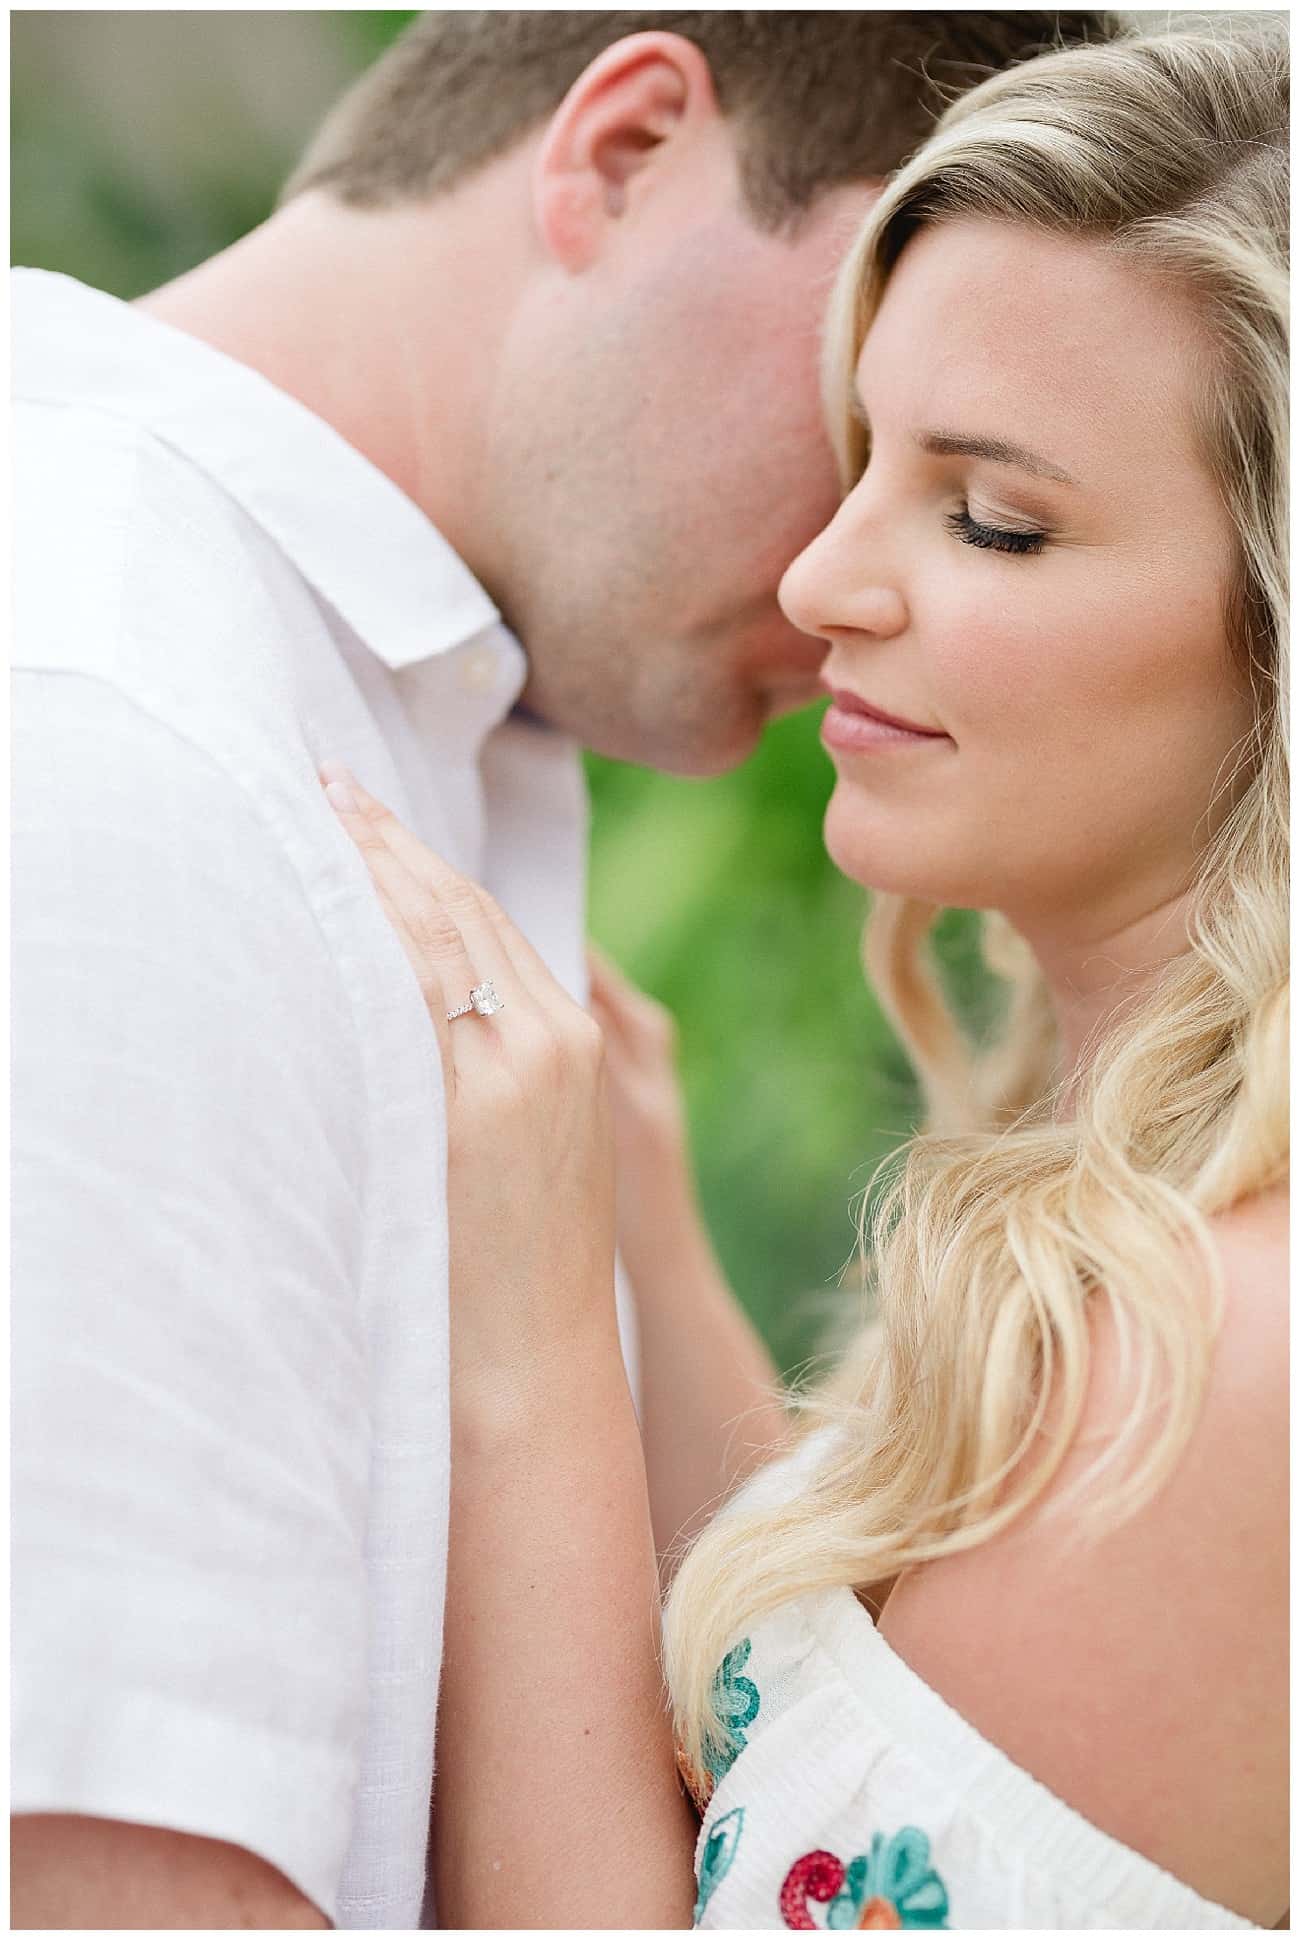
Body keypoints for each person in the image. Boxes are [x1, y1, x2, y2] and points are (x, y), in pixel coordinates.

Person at [10, 10, 1119, 1931]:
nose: (843, 578)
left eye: (984, 502)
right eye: (859, 413)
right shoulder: (117, 749)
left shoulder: (328, 721)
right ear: (618, 151)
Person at [316, 18, 1287, 1931]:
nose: (825, 579)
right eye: (862, 464)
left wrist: (530, 1341)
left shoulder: (1216, 1373)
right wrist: (643, 1238)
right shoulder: (1143, 1258)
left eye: (990, 517)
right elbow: (873, 1719)